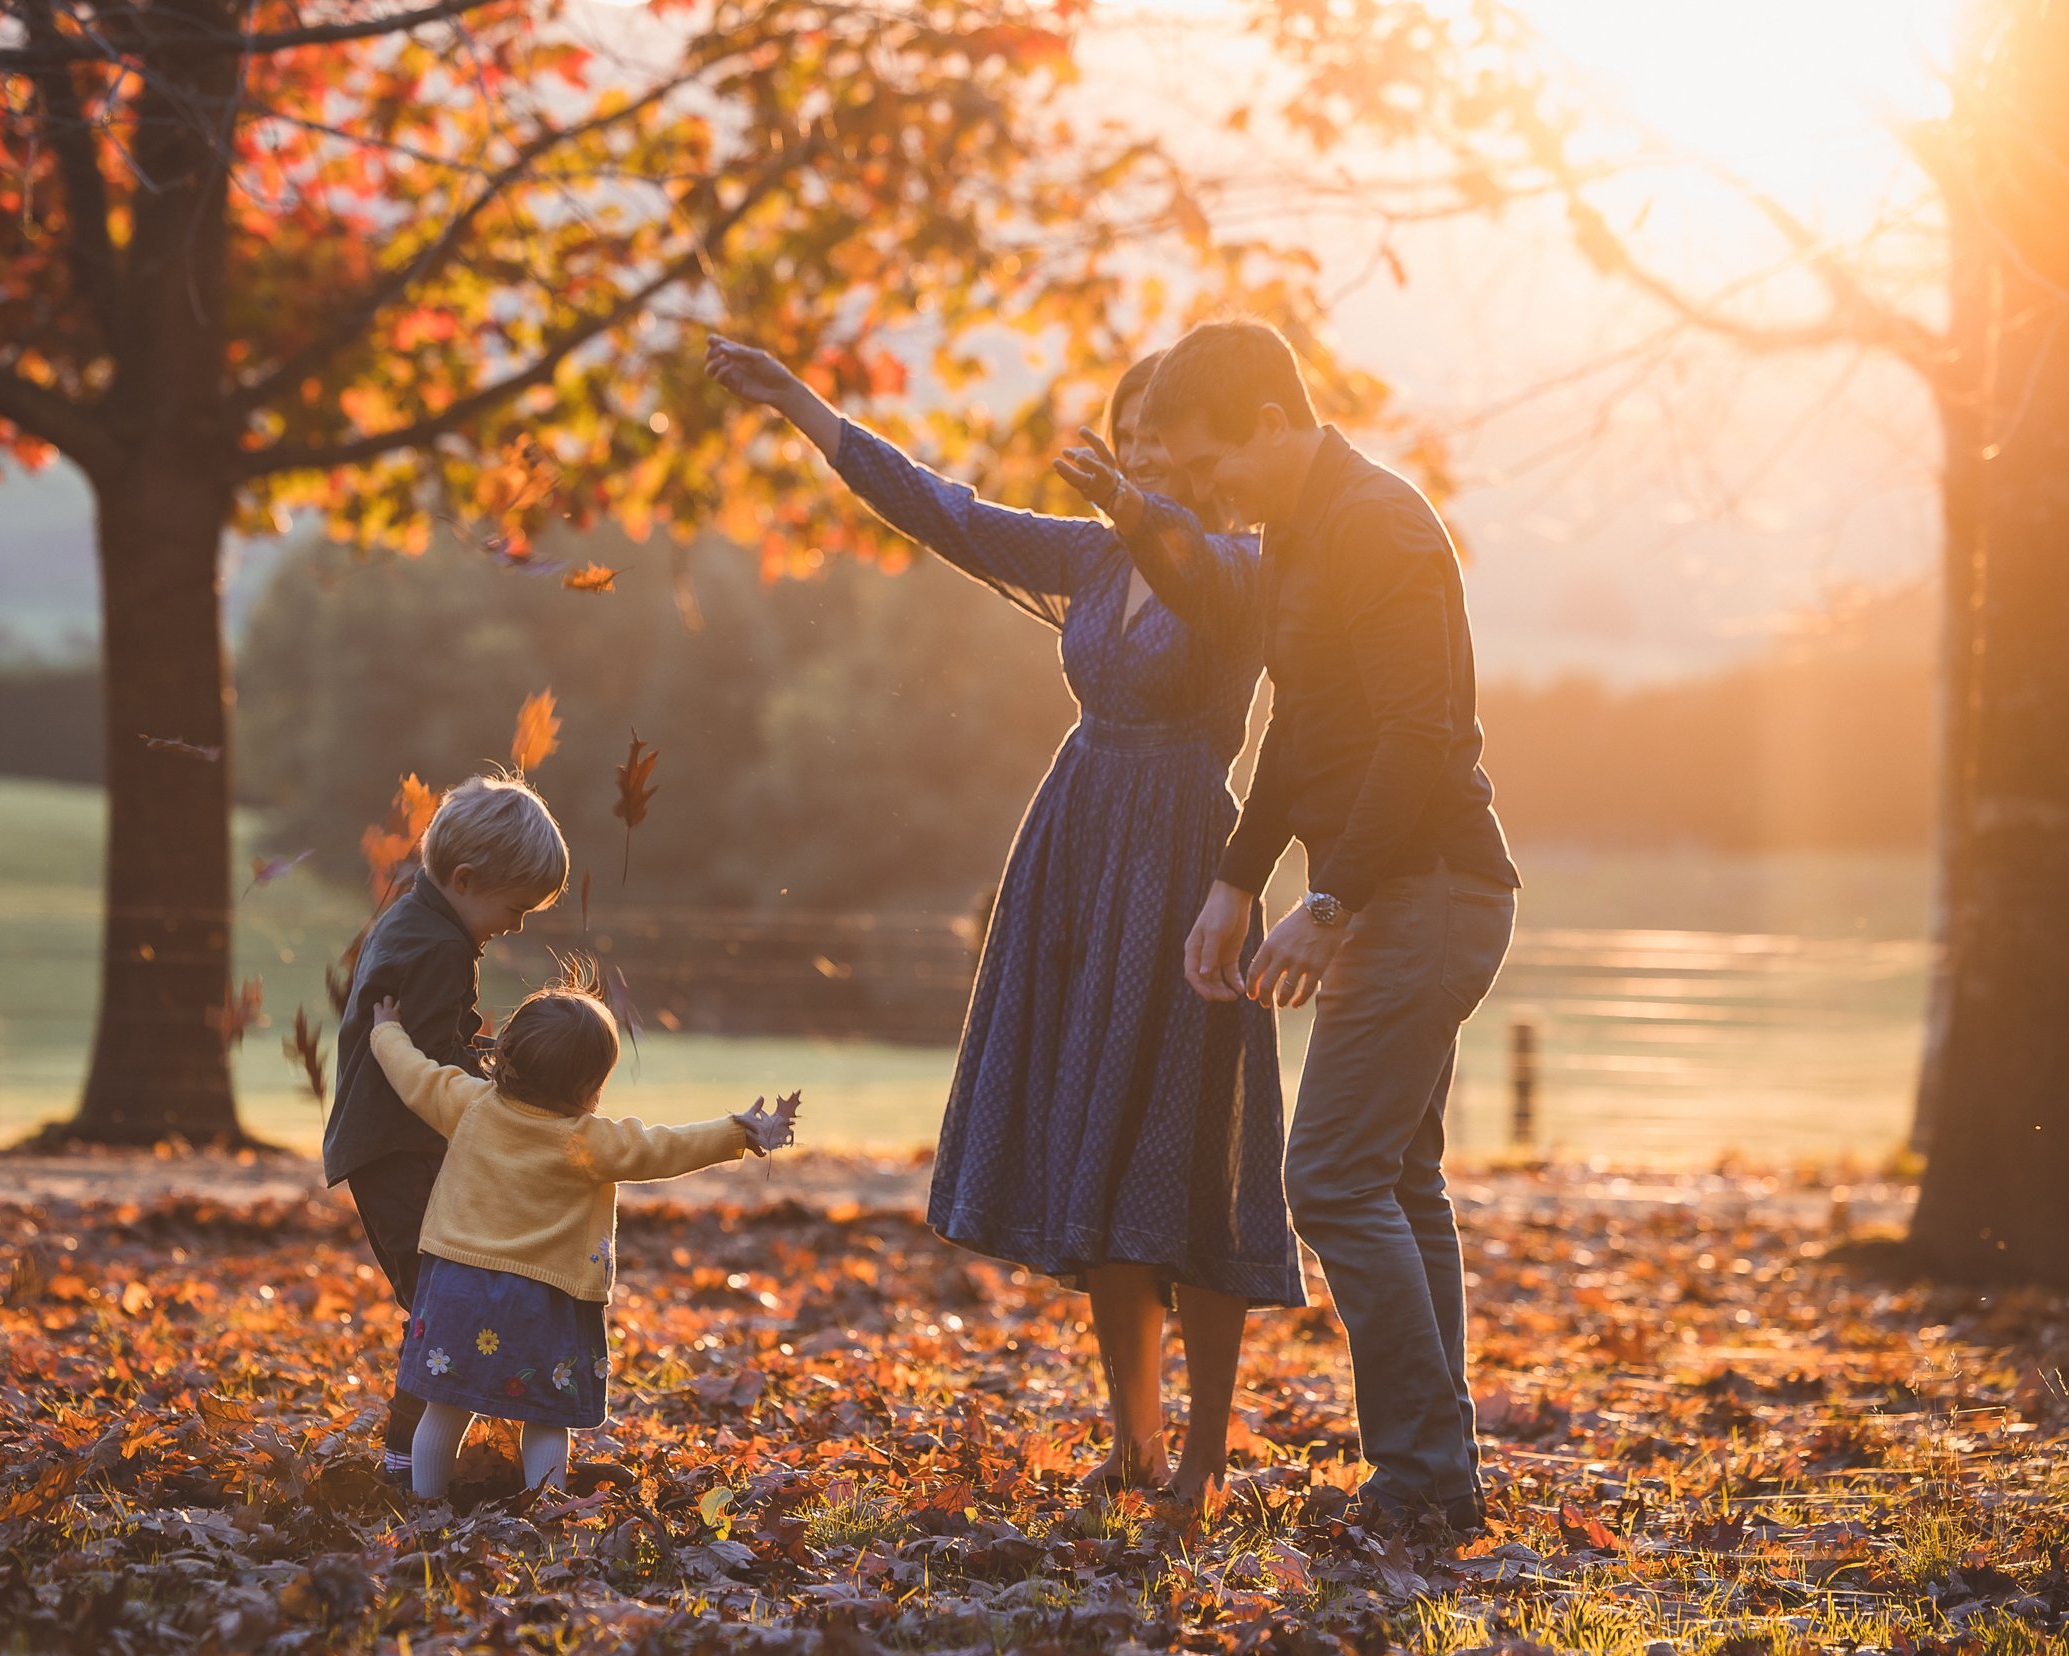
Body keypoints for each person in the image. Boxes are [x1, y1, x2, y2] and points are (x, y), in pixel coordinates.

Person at [704, 334, 1304, 1503]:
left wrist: (1138, 508)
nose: (1141, 455)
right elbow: (944, 511)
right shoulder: (1086, 555)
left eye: (1159, 439)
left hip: (1187, 852)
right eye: (1127, 436)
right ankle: (1132, 1440)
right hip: (1079, 845)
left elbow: (1191, 572)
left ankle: (1204, 1454)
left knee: (1192, 1144)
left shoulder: (1241, 562)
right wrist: (803, 408)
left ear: (1200, 448)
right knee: (1100, 1142)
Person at [1057, 317, 1519, 1534]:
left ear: (1273, 421)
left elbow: (1419, 740)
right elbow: (1306, 733)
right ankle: (1437, 1468)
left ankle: (1424, 1473)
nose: (1206, 492)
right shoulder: (1303, 532)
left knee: (1328, 1175)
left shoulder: (1379, 527)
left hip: (1427, 890)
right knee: (1398, 1178)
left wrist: (1326, 901)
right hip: (1393, 887)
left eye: (1214, 463)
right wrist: (1236, 875)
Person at [369, 974, 801, 1496]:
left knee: (444, 1405)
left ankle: (425, 1506)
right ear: (588, 1087)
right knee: (546, 1416)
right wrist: (737, 1131)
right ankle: (547, 1511)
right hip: (544, 1300)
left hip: (459, 1289)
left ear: (505, 1052)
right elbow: (665, 1148)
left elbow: (413, 1074)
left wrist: (385, 1030)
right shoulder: (590, 1141)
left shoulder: (469, 1105)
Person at [322, 774, 570, 1484]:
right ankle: (406, 1463)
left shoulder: (415, 918)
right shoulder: (439, 948)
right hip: (397, 1147)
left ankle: (414, 1454)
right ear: (465, 878)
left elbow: (439, 1036)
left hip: (386, 1144)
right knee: (444, 1305)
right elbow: (430, 1068)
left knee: (445, 1302)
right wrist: (503, 1081)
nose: (517, 924)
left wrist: (477, 1050)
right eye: (514, 907)